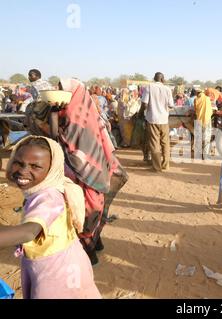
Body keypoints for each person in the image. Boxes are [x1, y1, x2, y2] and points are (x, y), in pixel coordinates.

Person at [2, 136, 101, 299]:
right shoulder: (42, 189)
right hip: (62, 263)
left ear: (51, 170)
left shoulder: (48, 198)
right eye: (19, 163)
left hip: (59, 273)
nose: (23, 170)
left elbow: (28, 232)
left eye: (35, 166)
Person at [47, 79, 128, 265]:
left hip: (82, 172)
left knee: (86, 208)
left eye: (62, 89)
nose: (59, 91)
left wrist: (53, 115)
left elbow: (54, 138)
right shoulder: (88, 110)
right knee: (94, 206)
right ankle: (96, 242)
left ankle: (90, 252)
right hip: (95, 169)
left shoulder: (72, 115)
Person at [139, 72, 174, 172]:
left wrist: (140, 113)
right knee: (165, 143)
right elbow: (171, 105)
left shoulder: (149, 87)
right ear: (163, 79)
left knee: (154, 143)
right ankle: (165, 165)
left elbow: (144, 104)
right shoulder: (167, 89)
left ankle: (157, 167)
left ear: (154, 78)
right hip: (164, 119)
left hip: (152, 119)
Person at [193, 89, 213, 160]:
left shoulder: (196, 99)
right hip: (207, 120)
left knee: (198, 138)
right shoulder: (207, 98)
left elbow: (195, 110)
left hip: (199, 120)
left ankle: (198, 155)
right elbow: (211, 110)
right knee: (206, 138)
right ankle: (205, 156)